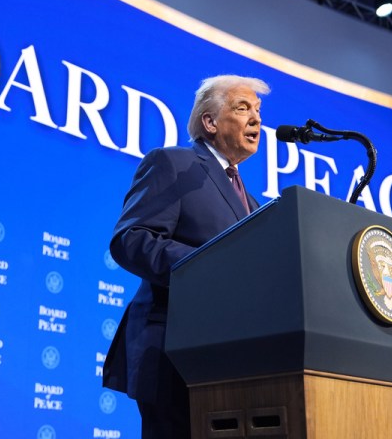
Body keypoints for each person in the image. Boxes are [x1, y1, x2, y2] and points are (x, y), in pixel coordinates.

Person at [102, 75, 270, 439]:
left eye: (258, 111)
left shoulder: (253, 204)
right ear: (210, 123)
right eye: (243, 108)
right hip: (173, 351)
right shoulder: (174, 164)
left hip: (231, 358)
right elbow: (131, 239)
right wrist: (209, 265)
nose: (257, 120)